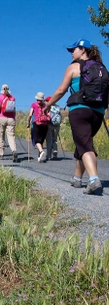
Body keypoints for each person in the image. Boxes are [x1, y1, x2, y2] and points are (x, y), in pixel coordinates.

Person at [44, 38, 109, 195]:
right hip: (98, 112)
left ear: (83, 50)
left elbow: (61, 90)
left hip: (80, 110)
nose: (72, 53)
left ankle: (93, 179)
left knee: (85, 144)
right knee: (84, 141)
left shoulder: (74, 67)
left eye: (74, 49)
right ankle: (77, 178)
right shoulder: (101, 68)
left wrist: (48, 105)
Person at [0, 84, 18, 162]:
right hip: (11, 119)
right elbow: (14, 109)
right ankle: (14, 150)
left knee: (0, 136)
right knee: (11, 136)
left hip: (2, 118)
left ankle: (1, 153)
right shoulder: (12, 97)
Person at [27, 92, 50, 162]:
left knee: (37, 140)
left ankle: (41, 152)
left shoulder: (34, 104)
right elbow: (48, 114)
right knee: (41, 141)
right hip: (45, 124)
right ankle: (40, 156)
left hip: (37, 123)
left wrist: (28, 123)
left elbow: (30, 115)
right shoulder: (46, 105)